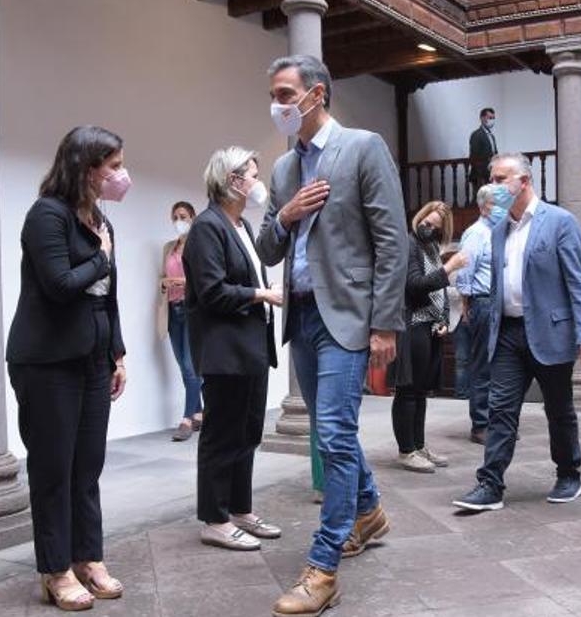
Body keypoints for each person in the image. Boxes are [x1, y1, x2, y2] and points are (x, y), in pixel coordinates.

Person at [256, 54, 408, 617]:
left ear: (316, 94)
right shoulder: (282, 170)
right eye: (273, 95)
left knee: (334, 436)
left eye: (284, 93)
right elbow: (269, 250)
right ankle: (368, 509)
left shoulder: (362, 148)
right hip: (301, 316)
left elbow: (391, 240)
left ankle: (323, 567)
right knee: (332, 431)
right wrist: (286, 214)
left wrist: (386, 323)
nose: (277, 105)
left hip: (347, 314)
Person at [5, 126, 129, 611]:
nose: (121, 174)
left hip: (93, 357)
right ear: (86, 167)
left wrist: (117, 353)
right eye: (114, 165)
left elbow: (109, 298)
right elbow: (59, 284)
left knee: (87, 466)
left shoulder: (101, 219)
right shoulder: (46, 216)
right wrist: (100, 258)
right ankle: (55, 569)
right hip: (47, 361)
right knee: (53, 468)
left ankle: (88, 557)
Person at [453, 152, 581, 513]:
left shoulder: (559, 222)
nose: (493, 186)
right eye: (492, 178)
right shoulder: (499, 226)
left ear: (524, 181)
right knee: (500, 409)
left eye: (501, 179)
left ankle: (569, 474)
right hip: (507, 331)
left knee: (559, 409)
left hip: (549, 331)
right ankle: (490, 484)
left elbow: (577, 282)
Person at [184, 147, 283, 551]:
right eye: (252, 174)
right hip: (225, 350)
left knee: (247, 433)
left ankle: (240, 509)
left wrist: (261, 294)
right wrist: (261, 293)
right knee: (221, 436)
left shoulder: (240, 224)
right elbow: (211, 291)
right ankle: (214, 518)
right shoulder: (208, 226)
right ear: (231, 180)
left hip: (251, 348)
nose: (258, 182)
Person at [388, 201, 467, 473]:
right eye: (426, 222)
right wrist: (448, 269)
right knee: (407, 390)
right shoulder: (409, 244)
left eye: (434, 227)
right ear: (418, 218)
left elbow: (439, 293)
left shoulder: (431, 247)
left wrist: (444, 318)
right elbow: (414, 286)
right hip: (412, 324)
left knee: (421, 391)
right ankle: (405, 451)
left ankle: (419, 445)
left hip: (431, 326)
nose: (428, 228)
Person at [455, 185, 501, 444]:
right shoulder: (476, 233)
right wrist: (466, 306)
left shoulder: (499, 232)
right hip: (482, 303)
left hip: (501, 303)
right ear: (484, 207)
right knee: (482, 367)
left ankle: (497, 423)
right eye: (498, 203)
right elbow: (464, 273)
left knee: (501, 367)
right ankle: (481, 425)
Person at [159, 201, 204, 442]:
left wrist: (184, 283)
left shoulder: (199, 246)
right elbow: (161, 277)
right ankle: (199, 412)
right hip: (172, 311)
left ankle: (187, 418)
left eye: (183, 216)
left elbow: (204, 280)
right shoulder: (169, 248)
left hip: (192, 310)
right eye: (175, 216)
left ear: (193, 218)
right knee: (183, 364)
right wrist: (165, 282)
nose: (179, 221)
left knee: (190, 366)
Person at [467, 107, 497, 193]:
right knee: (480, 202)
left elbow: (495, 154)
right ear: (482, 118)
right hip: (480, 176)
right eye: (490, 118)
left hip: (490, 174)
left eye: (493, 118)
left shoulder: (491, 136)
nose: (492, 120)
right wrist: (482, 175)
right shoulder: (476, 134)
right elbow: (474, 156)